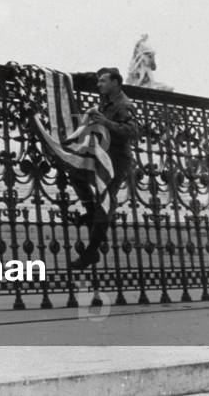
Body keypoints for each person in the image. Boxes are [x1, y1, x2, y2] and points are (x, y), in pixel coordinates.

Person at [68, 66, 140, 270]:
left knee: (105, 200)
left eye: (103, 81)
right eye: (98, 81)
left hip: (117, 159)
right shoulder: (107, 99)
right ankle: (92, 214)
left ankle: (91, 252)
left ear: (115, 83)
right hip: (103, 154)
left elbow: (133, 132)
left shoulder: (124, 104)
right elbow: (92, 75)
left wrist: (105, 122)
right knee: (75, 174)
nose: (98, 84)